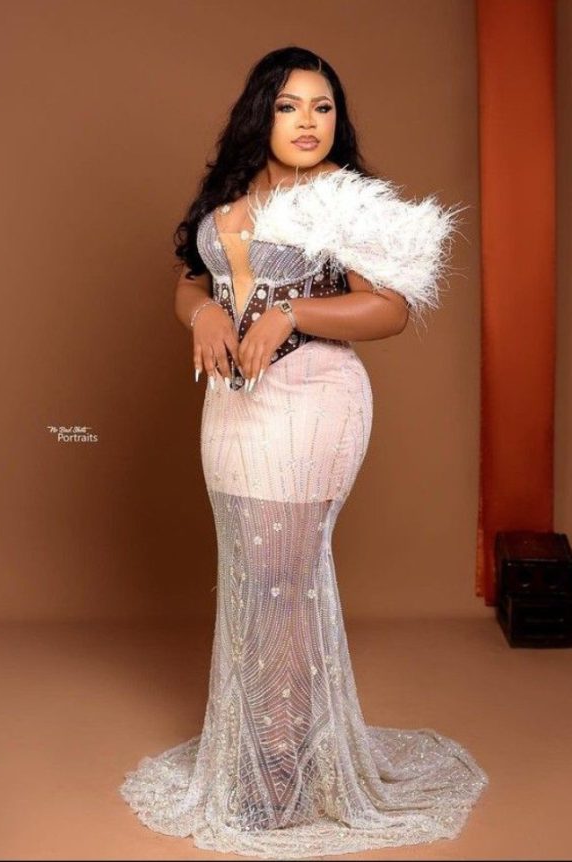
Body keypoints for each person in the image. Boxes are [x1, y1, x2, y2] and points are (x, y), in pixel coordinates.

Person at [119, 46, 489, 859]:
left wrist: (292, 314)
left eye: (324, 107)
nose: (309, 122)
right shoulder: (229, 194)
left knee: (282, 578)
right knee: (251, 574)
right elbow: (193, 277)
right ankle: (262, 750)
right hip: (231, 405)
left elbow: (389, 309)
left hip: (314, 396)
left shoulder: (344, 200)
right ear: (262, 113)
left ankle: (280, 772)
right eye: (290, 106)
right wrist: (201, 314)